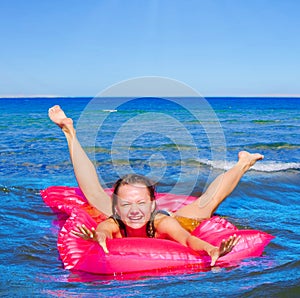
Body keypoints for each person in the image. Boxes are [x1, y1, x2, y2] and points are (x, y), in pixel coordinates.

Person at [48, 105, 264, 266]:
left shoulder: (161, 222)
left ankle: (243, 162)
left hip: (170, 219)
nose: (134, 211)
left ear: (152, 206)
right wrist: (98, 237)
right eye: (126, 204)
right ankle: (69, 132)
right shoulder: (116, 220)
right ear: (117, 207)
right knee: (94, 194)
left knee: (207, 203)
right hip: (120, 215)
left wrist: (211, 249)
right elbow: (104, 229)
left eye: (141, 204)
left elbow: (187, 239)